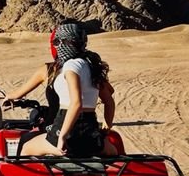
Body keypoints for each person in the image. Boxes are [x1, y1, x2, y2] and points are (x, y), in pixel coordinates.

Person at [19, 22, 116, 158]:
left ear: (63, 43)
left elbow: (76, 103)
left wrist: (62, 137)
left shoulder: (70, 66)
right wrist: (107, 127)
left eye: (56, 42)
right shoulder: (92, 65)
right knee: (114, 153)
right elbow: (109, 101)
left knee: (26, 148)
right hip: (90, 132)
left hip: (67, 128)